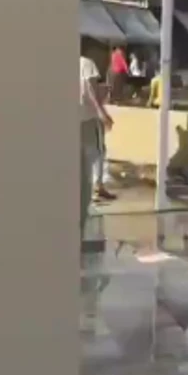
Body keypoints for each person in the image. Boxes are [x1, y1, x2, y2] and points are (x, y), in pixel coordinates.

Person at [80, 47, 115, 235]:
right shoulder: (87, 64)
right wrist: (102, 113)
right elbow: (89, 89)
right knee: (97, 152)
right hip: (86, 117)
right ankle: (97, 187)